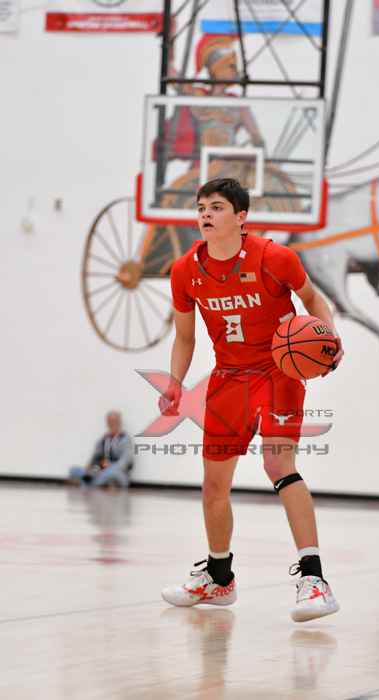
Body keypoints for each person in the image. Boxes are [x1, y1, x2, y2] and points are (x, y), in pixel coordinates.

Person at [159, 178, 343, 622]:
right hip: (229, 377)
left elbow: (313, 300)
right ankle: (219, 578)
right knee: (213, 485)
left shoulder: (275, 258)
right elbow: (185, 337)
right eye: (201, 207)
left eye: (216, 207)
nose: (206, 214)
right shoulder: (185, 271)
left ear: (241, 217)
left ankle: (315, 581)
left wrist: (331, 342)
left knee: (278, 465)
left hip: (279, 372)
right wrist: (175, 383)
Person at [68, 411, 133, 488]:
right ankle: (97, 482)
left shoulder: (125, 439)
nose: (112, 425)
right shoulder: (104, 439)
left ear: (119, 423)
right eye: (110, 422)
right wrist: (89, 468)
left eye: (114, 422)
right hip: (100, 471)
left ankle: (87, 482)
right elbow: (95, 457)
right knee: (74, 470)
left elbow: (124, 462)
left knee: (112, 473)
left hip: (116, 472)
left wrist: (109, 466)